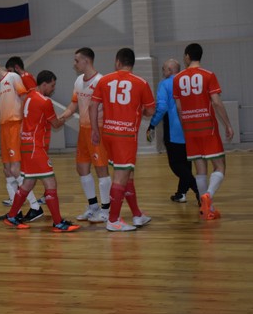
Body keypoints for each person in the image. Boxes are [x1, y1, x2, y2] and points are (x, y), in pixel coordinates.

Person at [3, 70, 80, 233]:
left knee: (28, 183)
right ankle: (58, 223)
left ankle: (11, 216)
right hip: (35, 148)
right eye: (52, 85)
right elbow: (56, 124)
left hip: (26, 145)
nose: (53, 89)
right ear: (44, 84)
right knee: (50, 183)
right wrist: (68, 113)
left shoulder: (30, 96)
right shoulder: (44, 102)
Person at [90, 48, 156, 232]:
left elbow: (93, 106)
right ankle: (113, 220)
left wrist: (94, 129)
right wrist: (141, 111)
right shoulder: (141, 83)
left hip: (108, 133)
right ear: (132, 64)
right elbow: (151, 110)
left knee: (127, 174)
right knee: (121, 176)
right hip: (125, 136)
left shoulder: (104, 80)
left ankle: (137, 215)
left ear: (117, 62)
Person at [0, 54, 43, 222]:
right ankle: (15, 210)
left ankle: (35, 207)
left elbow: (25, 100)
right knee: (7, 170)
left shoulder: (13, 77)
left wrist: (25, 124)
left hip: (15, 125)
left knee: (15, 169)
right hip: (4, 127)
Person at [172, 43, 234, 220]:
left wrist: (185, 126)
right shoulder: (208, 75)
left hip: (190, 128)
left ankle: (207, 208)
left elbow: (179, 107)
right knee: (220, 166)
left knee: (200, 169)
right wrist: (228, 124)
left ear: (187, 56)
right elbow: (216, 102)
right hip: (207, 127)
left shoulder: (178, 79)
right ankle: (208, 196)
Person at [57, 48, 112, 223]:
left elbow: (109, 108)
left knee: (101, 169)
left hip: (98, 130)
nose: (74, 64)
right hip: (83, 130)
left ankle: (106, 210)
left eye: (76, 60)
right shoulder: (79, 80)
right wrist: (62, 117)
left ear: (86, 61)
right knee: (81, 168)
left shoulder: (101, 81)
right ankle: (93, 206)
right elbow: (74, 103)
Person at [146, 59, 200, 204]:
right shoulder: (187, 81)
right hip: (191, 127)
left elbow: (162, 107)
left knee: (176, 164)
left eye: (163, 69)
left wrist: (152, 124)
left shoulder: (165, 84)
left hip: (174, 130)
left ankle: (199, 189)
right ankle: (181, 193)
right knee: (186, 163)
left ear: (169, 70)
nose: (162, 72)